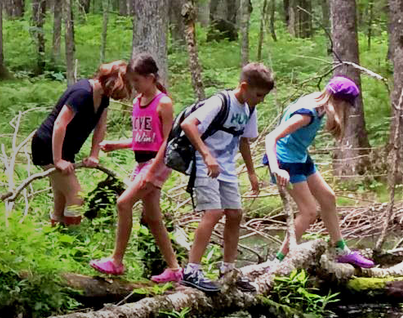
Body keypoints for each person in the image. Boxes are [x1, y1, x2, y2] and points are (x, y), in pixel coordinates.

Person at [180, 63, 275, 293]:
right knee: (213, 212)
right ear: (244, 86)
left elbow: (243, 140)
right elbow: (188, 124)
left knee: (235, 214)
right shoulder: (220, 102)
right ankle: (191, 271)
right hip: (205, 165)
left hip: (227, 169)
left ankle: (228, 269)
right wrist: (206, 154)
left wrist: (252, 172)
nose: (261, 100)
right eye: (258, 94)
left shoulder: (249, 109)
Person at [262, 75, 374, 269]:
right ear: (338, 101)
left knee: (328, 198)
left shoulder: (320, 103)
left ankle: (341, 250)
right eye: (346, 105)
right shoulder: (307, 113)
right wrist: (275, 168)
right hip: (285, 161)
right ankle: (278, 261)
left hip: (300, 156)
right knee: (309, 212)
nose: (346, 110)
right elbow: (271, 138)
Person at [89, 54, 182, 284]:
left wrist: (152, 171)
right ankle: (174, 268)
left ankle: (116, 261)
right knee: (152, 217)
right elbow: (143, 138)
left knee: (123, 202)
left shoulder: (163, 103)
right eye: (132, 82)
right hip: (142, 162)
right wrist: (117, 144)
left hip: (157, 163)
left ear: (151, 78)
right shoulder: (137, 102)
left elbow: (167, 141)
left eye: (138, 81)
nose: (135, 86)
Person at [31, 61, 131, 225]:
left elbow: (100, 127)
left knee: (61, 197)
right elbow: (59, 124)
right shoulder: (82, 93)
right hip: (47, 147)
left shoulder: (103, 97)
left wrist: (94, 154)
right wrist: (58, 160)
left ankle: (56, 233)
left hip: (66, 150)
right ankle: (73, 236)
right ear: (112, 83)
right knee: (76, 196)